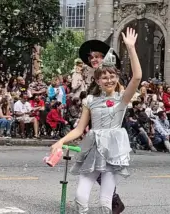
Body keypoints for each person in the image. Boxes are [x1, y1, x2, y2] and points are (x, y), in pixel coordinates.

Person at [50, 28, 141, 213]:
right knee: (81, 198)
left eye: (111, 76)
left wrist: (131, 48)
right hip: (94, 144)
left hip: (113, 143)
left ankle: (113, 202)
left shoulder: (121, 96)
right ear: (98, 79)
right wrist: (61, 141)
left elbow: (137, 77)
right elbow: (80, 127)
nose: (108, 79)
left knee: (105, 202)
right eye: (103, 77)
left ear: (116, 77)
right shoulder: (90, 98)